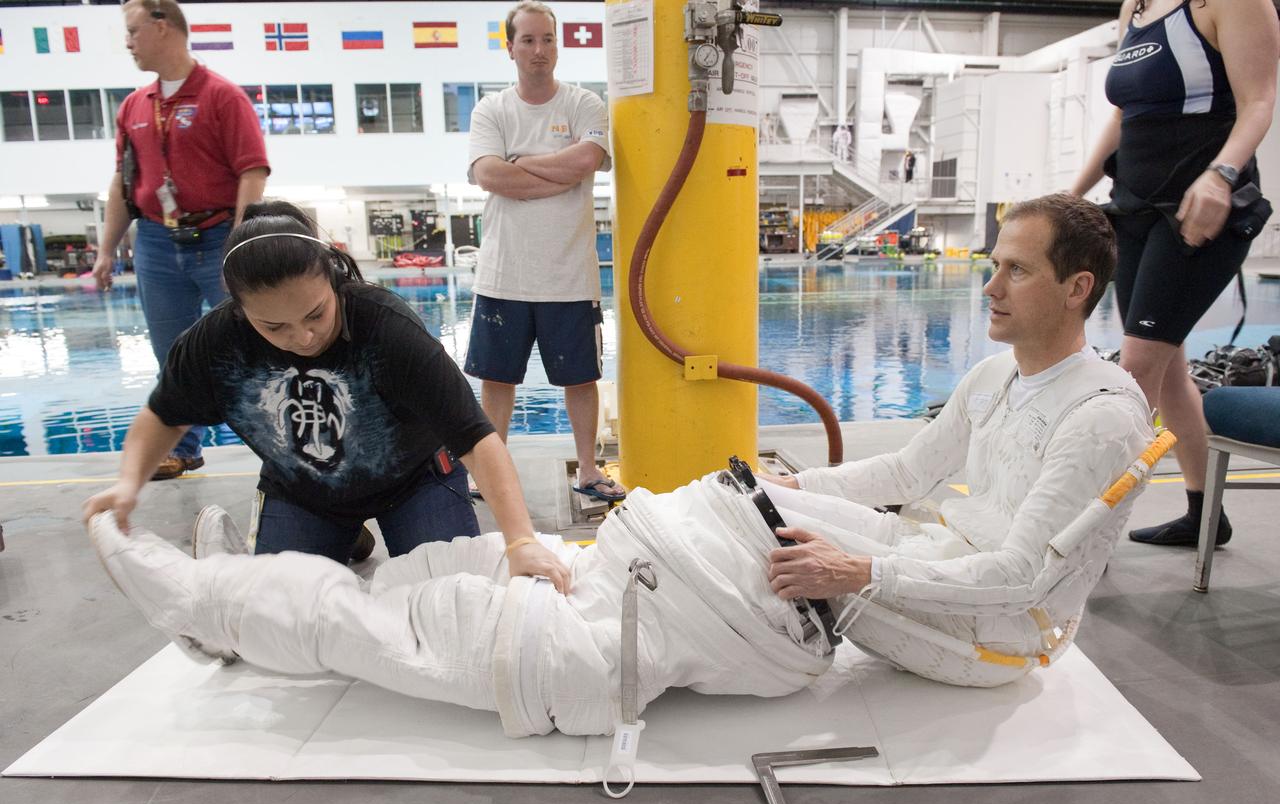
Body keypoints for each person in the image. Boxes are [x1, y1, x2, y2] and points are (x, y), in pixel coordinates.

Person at [86, 194, 1155, 736]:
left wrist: (853, 574)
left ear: (1075, 289)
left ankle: (220, 599)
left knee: (528, 635)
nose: (988, 285)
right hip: (907, 567)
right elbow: (907, 475)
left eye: (1013, 270)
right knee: (515, 569)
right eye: (994, 265)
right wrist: (751, 489)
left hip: (982, 631)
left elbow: (1020, 582)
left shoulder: (1102, 416)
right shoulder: (995, 379)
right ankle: (227, 593)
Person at [82, 201, 569, 591]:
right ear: (239, 308)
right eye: (274, 326)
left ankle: (351, 529)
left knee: (450, 597)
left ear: (334, 277)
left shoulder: (386, 328)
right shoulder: (215, 344)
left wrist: (521, 541)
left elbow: (476, 437)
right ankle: (342, 530)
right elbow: (164, 414)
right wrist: (129, 483)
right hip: (305, 491)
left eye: (316, 314)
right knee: (280, 610)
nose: (304, 337)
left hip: (415, 479)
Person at [1070, 0, 1279, 547]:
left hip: (1194, 214)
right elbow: (1122, 117)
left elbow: (1259, 101)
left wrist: (1220, 176)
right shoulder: (1134, 8)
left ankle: (1084, 533)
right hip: (1135, 210)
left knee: (1135, 373)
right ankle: (1205, 511)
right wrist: (1068, 195)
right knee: (1166, 371)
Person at [90, 0, 270, 480]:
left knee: (259, 340)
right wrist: (107, 249)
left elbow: (251, 171)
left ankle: (284, 444)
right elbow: (122, 184)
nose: (127, 43)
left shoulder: (222, 97)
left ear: (162, 26)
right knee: (171, 352)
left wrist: (239, 239)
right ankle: (184, 448)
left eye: (132, 31)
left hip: (216, 239)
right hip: (155, 242)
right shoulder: (133, 107)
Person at [465, 1, 624, 503]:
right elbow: (489, 175)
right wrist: (555, 172)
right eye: (528, 40)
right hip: (503, 275)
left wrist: (523, 167)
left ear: (559, 44)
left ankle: (589, 471)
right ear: (509, 47)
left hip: (569, 275)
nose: (539, 50)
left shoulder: (583, 104)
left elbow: (588, 160)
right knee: (497, 381)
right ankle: (491, 474)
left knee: (581, 380)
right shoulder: (492, 109)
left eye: (547, 39)